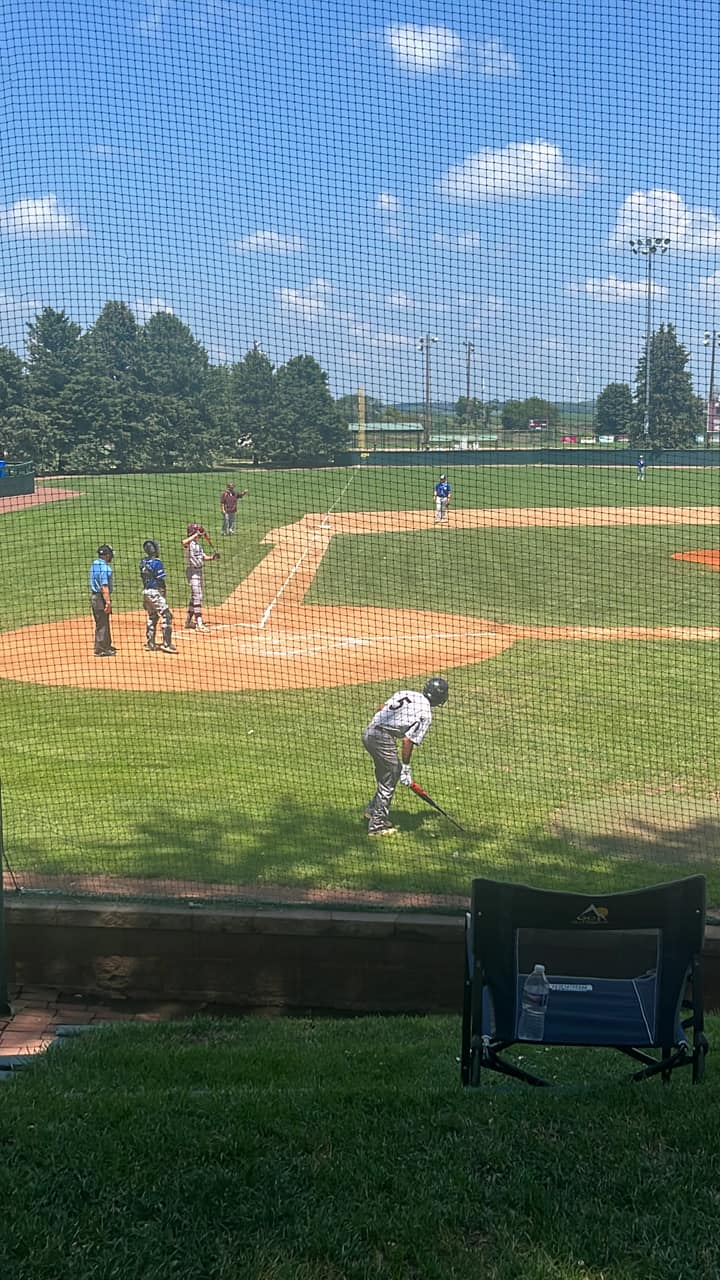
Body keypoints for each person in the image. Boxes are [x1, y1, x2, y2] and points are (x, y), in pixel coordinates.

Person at [362, 676, 449, 837]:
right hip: (382, 738)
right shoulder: (426, 714)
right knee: (390, 778)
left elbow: (382, 708)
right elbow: (408, 740)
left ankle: (372, 810)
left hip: (370, 731)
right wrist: (406, 768)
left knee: (389, 775)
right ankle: (377, 825)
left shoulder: (408, 693)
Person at [140, 539, 176, 653]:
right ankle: (167, 644)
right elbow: (160, 580)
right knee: (167, 615)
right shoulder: (157, 562)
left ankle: (150, 643)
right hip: (155, 592)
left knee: (152, 616)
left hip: (146, 592)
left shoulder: (143, 562)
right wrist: (163, 592)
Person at [182, 523, 219, 630]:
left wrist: (213, 557)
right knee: (198, 595)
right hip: (192, 572)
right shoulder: (189, 544)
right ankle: (199, 623)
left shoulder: (198, 545)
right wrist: (195, 535)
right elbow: (183, 542)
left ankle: (188, 621)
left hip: (199, 572)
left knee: (196, 596)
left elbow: (203, 557)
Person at [89, 543, 116, 657]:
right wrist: (108, 602)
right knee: (102, 622)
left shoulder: (95, 564)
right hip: (100, 598)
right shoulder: (105, 568)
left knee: (103, 621)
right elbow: (104, 586)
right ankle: (100, 649)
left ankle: (106, 645)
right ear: (107, 555)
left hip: (95, 597)